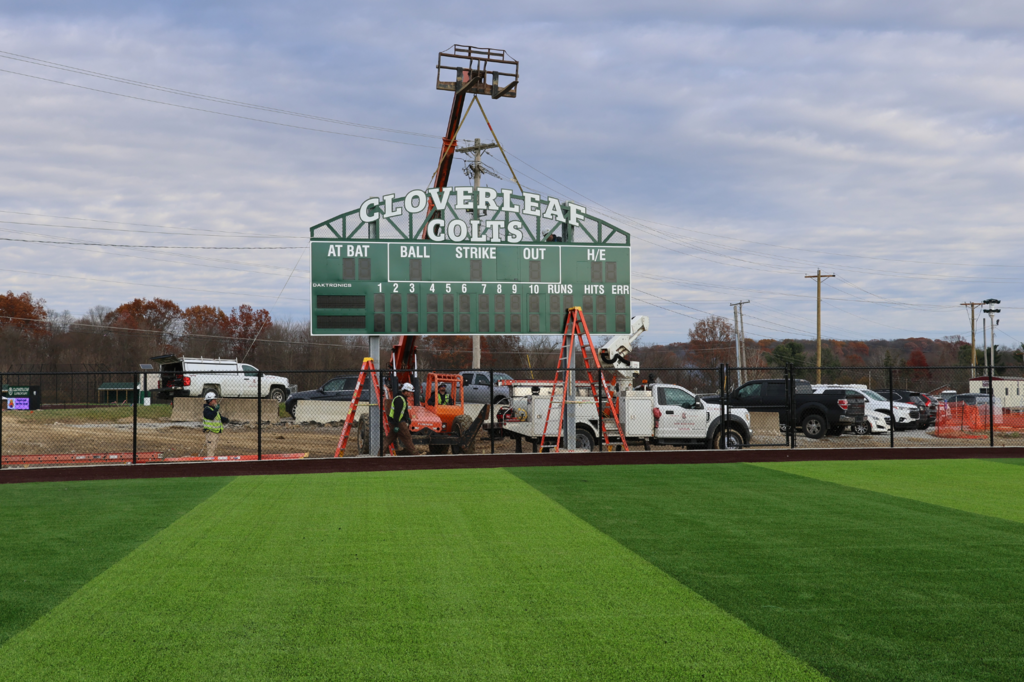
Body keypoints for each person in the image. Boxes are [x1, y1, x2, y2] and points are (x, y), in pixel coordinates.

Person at [383, 383, 421, 456]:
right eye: (409, 392)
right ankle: (416, 455)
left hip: (396, 421)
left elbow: (404, 411)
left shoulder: (402, 398)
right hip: (399, 422)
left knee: (389, 439)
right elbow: (397, 413)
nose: (410, 393)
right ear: (405, 391)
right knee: (407, 438)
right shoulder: (400, 399)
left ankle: (381, 453)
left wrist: (407, 418)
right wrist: (397, 425)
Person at [202, 392, 230, 458]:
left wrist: (225, 419)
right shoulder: (207, 410)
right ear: (210, 401)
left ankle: (211, 460)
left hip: (216, 432)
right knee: (211, 449)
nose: (216, 401)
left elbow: (219, 417)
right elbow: (211, 416)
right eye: (214, 400)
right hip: (211, 433)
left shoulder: (213, 410)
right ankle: (210, 462)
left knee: (213, 448)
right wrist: (216, 409)